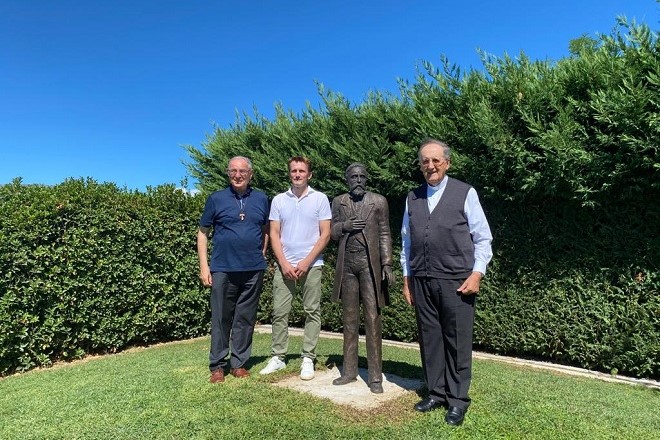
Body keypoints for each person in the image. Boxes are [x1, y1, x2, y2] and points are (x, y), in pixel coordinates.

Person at [400, 139, 493, 426]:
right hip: (422, 279)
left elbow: (483, 238)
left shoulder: (465, 193)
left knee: (457, 341)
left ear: (447, 163)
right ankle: (436, 392)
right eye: (425, 161)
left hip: (457, 280)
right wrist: (407, 280)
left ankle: (458, 400)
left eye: (436, 160)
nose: (431, 166)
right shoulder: (412, 197)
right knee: (430, 339)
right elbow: (406, 241)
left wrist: (477, 273)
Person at [197, 156, 269, 384]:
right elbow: (202, 233)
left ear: (251, 174)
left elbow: (267, 229)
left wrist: (262, 252)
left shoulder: (261, 199)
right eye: (233, 171)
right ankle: (217, 366)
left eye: (242, 171)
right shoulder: (216, 198)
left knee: (245, 319)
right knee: (221, 318)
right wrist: (204, 266)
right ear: (228, 173)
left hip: (253, 269)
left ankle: (238, 363)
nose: (238, 175)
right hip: (222, 269)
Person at [259, 156, 332, 380]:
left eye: (302, 171)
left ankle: (308, 357)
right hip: (285, 265)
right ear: (289, 174)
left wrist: (306, 262)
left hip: (312, 264)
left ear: (309, 174)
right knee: (280, 312)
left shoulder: (320, 199)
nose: (297, 174)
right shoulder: (279, 200)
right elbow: (274, 234)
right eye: (294, 171)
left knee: (312, 311)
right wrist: (283, 263)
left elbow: (325, 234)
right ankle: (278, 357)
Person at [330, 163, 393, 394]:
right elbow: (331, 232)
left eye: (361, 176)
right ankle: (349, 371)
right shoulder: (339, 201)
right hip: (348, 265)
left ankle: (376, 377)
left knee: (373, 318)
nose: (357, 180)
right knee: (349, 319)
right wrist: (345, 226)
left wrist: (387, 263)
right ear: (347, 179)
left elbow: (385, 232)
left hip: (369, 266)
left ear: (366, 179)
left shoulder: (378, 201)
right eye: (353, 176)